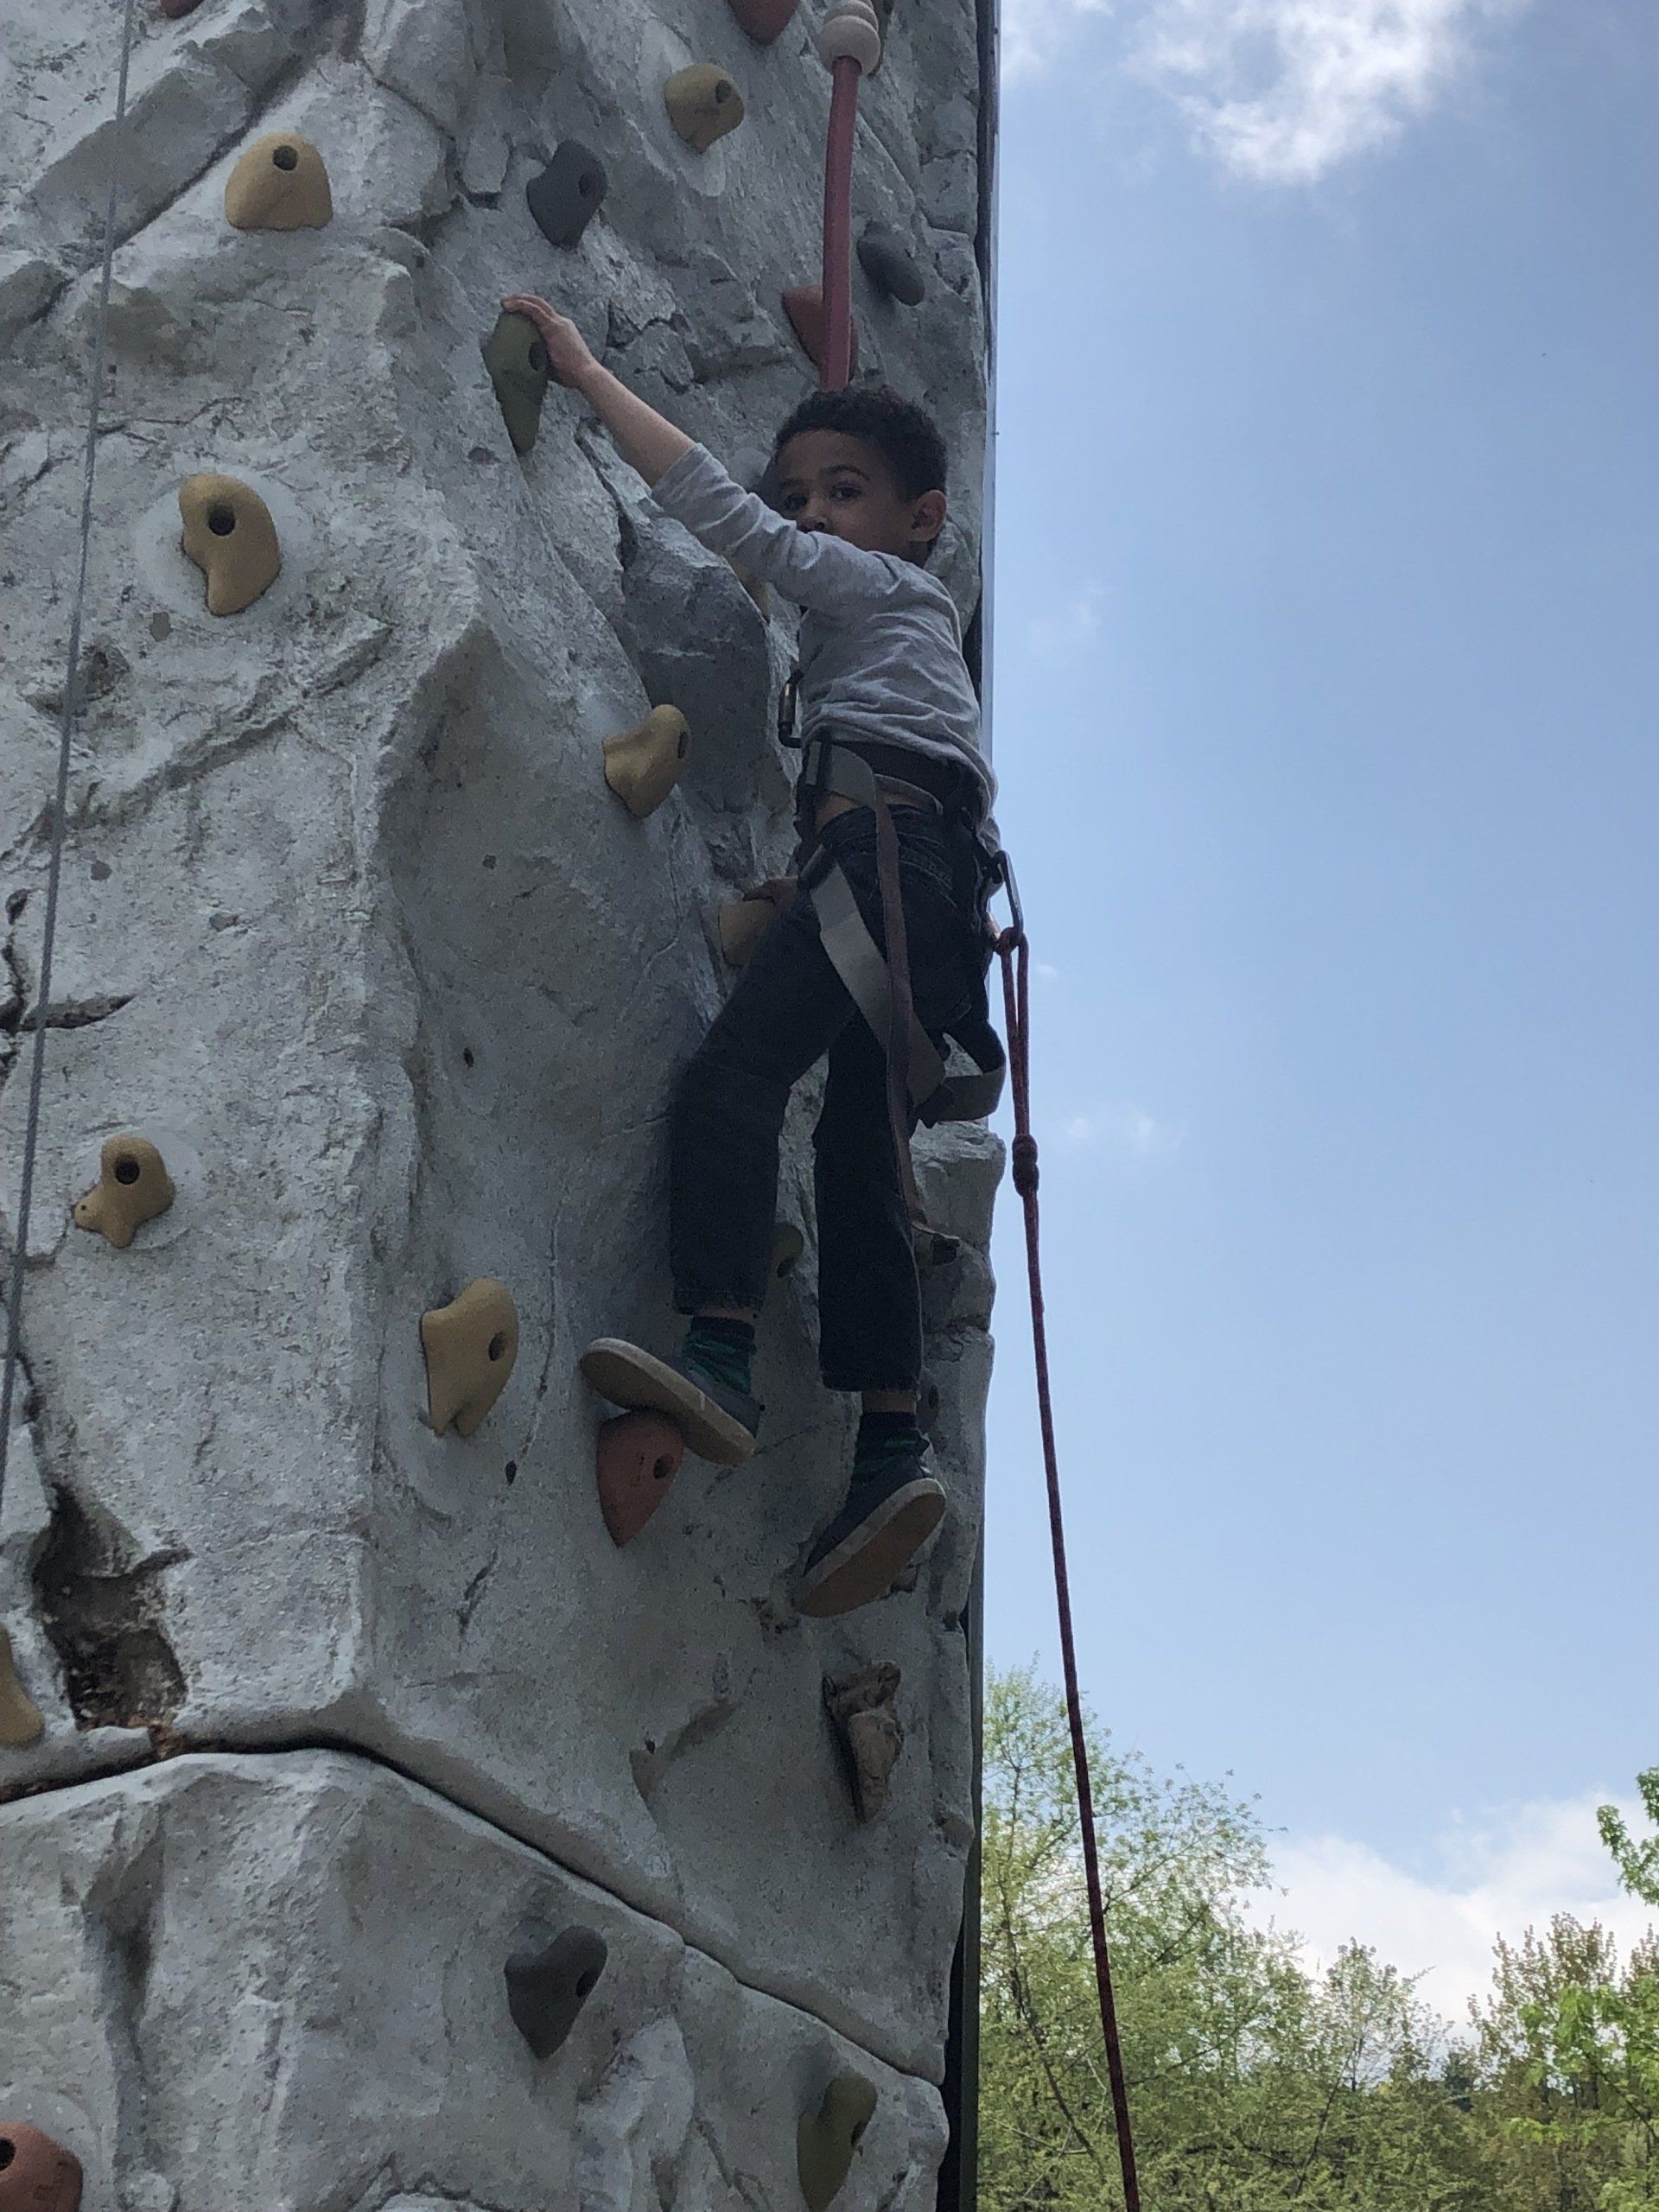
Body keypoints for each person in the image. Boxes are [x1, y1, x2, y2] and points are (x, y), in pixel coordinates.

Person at [504, 292, 999, 1618]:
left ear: (921, 522)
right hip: (920, 897)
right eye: (807, 490)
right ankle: (891, 1439)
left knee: (733, 1082)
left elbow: (731, 520)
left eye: (848, 490)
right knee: (856, 1157)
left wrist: (588, 372)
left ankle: (720, 1348)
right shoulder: (884, 646)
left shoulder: (880, 587)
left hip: (893, 873)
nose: (817, 513)